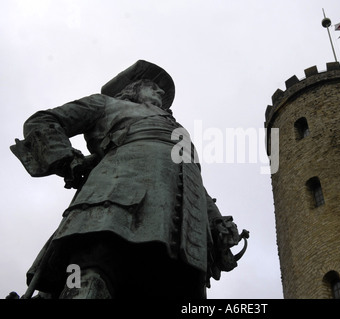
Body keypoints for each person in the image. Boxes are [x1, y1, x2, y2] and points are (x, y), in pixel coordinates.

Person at [11, 60, 248, 299]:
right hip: (115, 203)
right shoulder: (106, 104)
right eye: (153, 86)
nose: (161, 92)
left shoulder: (176, 129)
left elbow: (192, 177)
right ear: (133, 88)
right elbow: (42, 121)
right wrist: (66, 159)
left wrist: (216, 222)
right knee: (90, 278)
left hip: (185, 230)